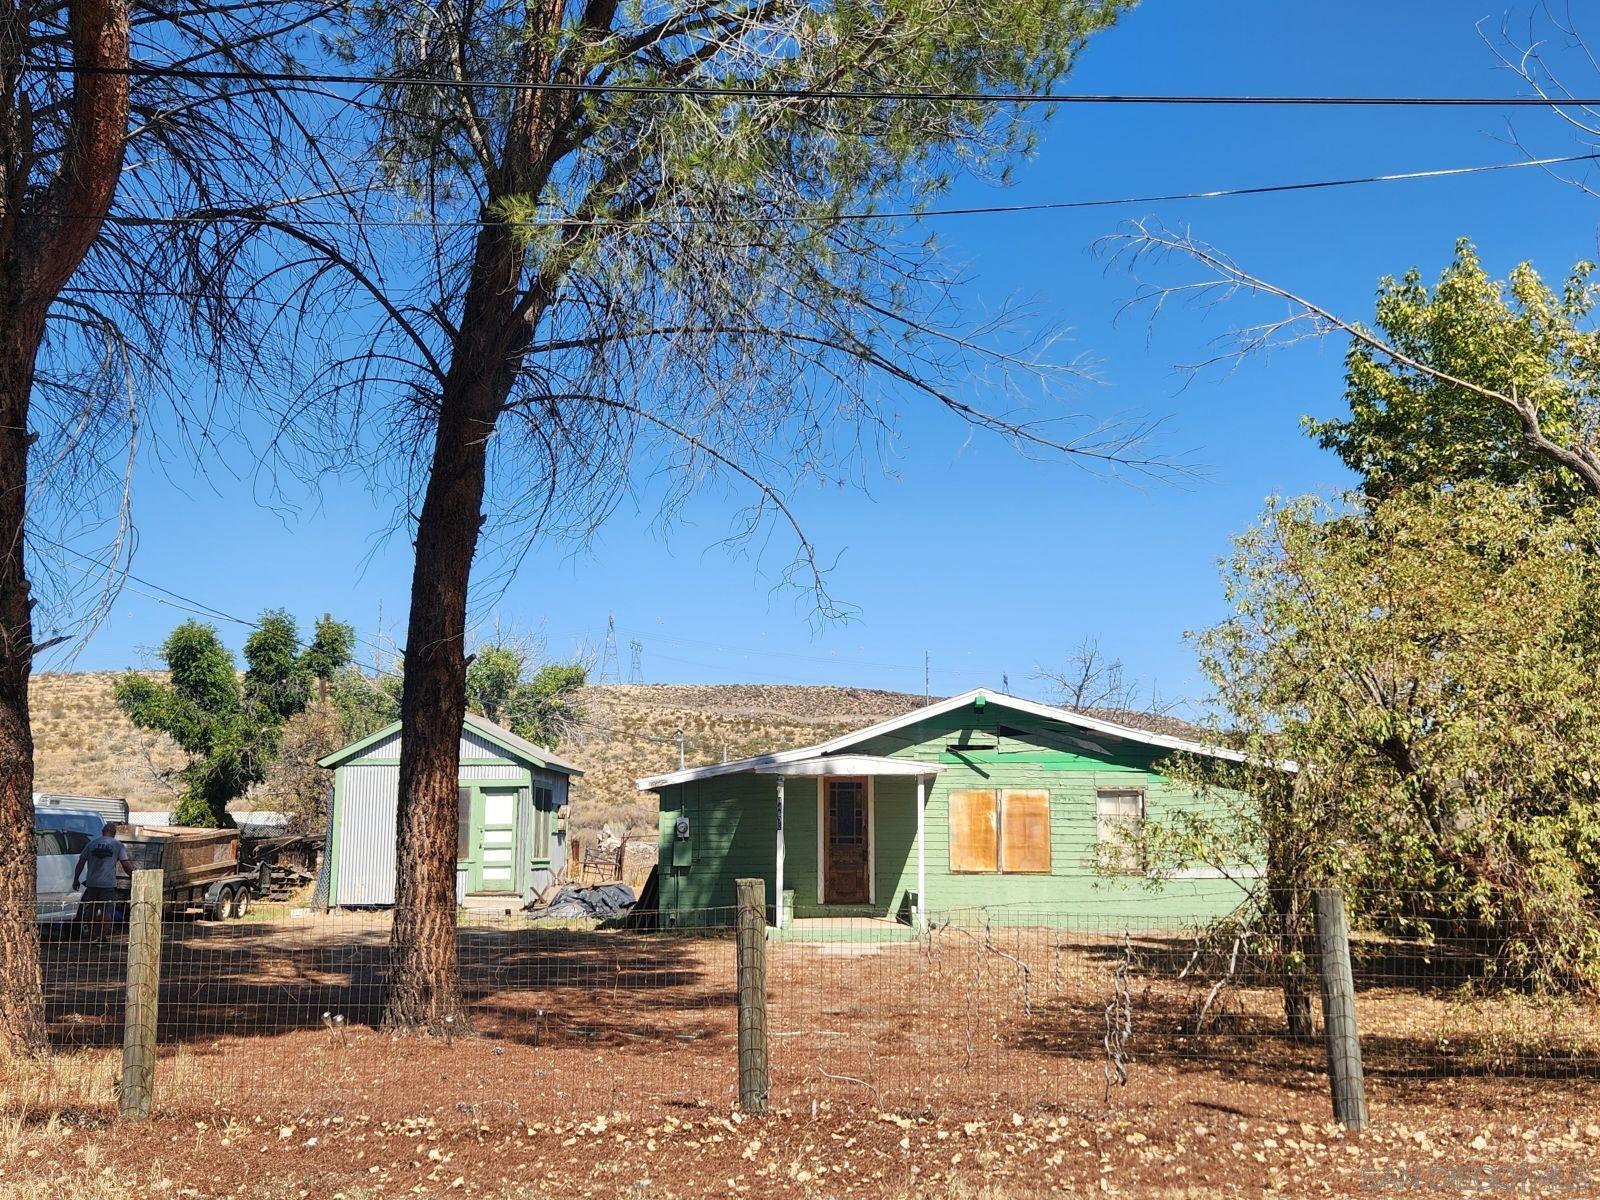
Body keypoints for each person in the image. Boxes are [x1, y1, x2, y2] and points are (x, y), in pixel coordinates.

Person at [73, 822, 133, 940]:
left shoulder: (91, 844)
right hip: (108, 885)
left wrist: (76, 879)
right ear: (114, 833)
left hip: (92, 883)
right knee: (106, 910)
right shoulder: (117, 845)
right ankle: (102, 937)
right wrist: (134, 876)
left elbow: (80, 863)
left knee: (92, 909)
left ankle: (91, 935)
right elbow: (125, 865)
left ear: (102, 832)